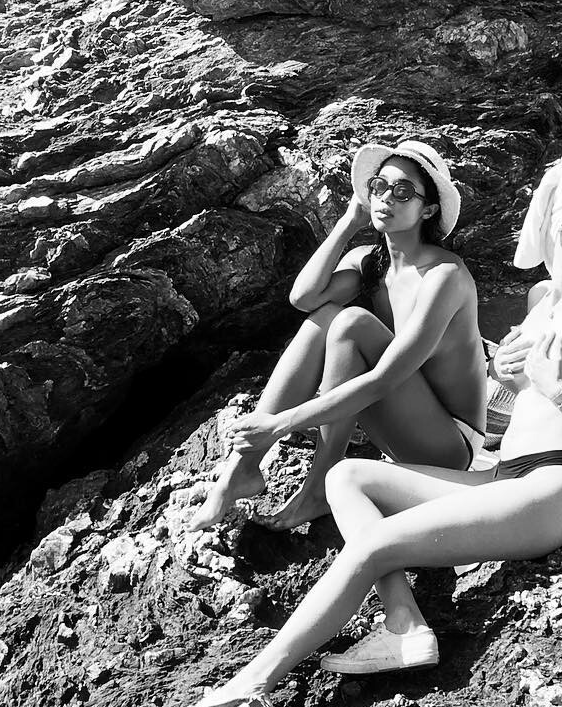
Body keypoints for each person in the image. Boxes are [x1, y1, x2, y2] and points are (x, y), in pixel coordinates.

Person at [166, 153, 562, 707]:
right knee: (347, 477)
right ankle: (403, 621)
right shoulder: (541, 299)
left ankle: (243, 694)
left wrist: (559, 390)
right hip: (502, 476)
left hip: (556, 485)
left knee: (376, 545)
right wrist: (509, 376)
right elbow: (515, 390)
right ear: (554, 229)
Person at [189, 139, 487, 532]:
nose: (386, 198)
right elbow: (303, 298)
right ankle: (241, 471)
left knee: (351, 324)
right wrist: (348, 223)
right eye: (379, 186)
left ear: (428, 209)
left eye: (403, 192)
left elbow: (384, 380)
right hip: (402, 421)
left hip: (449, 447)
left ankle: (318, 490)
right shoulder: (371, 263)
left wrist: (280, 425)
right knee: (328, 315)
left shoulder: (444, 276)